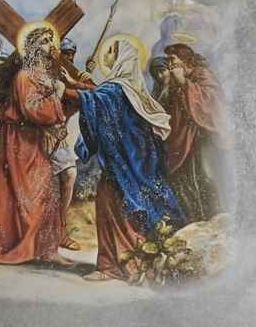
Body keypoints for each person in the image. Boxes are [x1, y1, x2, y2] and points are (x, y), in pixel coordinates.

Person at [75, 36, 185, 281]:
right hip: (136, 164)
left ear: (121, 58)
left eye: (111, 52)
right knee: (127, 206)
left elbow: (94, 100)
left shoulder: (115, 89)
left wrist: (68, 88)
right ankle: (131, 262)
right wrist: (80, 84)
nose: (107, 57)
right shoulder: (134, 90)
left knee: (111, 204)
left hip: (120, 165)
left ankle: (112, 267)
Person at [0, 26, 74, 271]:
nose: (51, 45)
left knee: (45, 191)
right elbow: (32, 109)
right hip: (14, 140)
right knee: (1, 194)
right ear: (34, 46)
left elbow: (51, 106)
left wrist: (57, 93)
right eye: (46, 41)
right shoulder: (24, 76)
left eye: (51, 40)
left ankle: (48, 250)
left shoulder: (44, 75)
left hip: (33, 141)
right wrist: (56, 95)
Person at [162, 43, 224, 223]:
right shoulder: (176, 80)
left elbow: (211, 102)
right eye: (168, 60)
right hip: (183, 138)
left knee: (205, 175)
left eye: (172, 59)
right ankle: (196, 218)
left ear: (184, 60)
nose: (169, 64)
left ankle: (215, 215)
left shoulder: (202, 75)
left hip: (203, 136)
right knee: (186, 179)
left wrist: (184, 83)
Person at [49, 37, 94, 250]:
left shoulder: (71, 75)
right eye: (64, 54)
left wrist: (85, 78)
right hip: (43, 132)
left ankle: (60, 231)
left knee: (68, 175)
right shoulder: (49, 74)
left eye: (71, 55)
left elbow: (95, 93)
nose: (68, 58)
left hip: (64, 134)